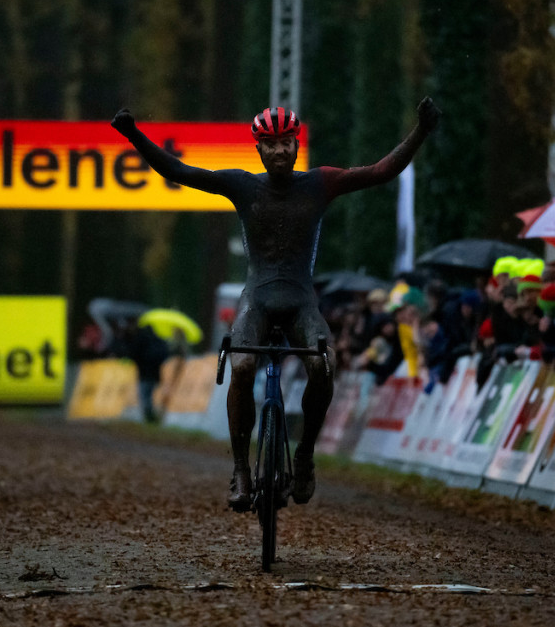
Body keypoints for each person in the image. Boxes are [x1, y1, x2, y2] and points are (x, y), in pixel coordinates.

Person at [111, 98, 440, 511]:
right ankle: (241, 471)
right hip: (258, 298)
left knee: (322, 366)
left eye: (287, 142)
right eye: (271, 144)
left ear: (296, 145)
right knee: (243, 366)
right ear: (259, 150)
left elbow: (380, 171)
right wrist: (133, 135)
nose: (280, 151)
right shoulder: (243, 186)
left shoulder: (320, 183)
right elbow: (179, 171)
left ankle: (303, 458)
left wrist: (422, 131)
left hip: (302, 300)